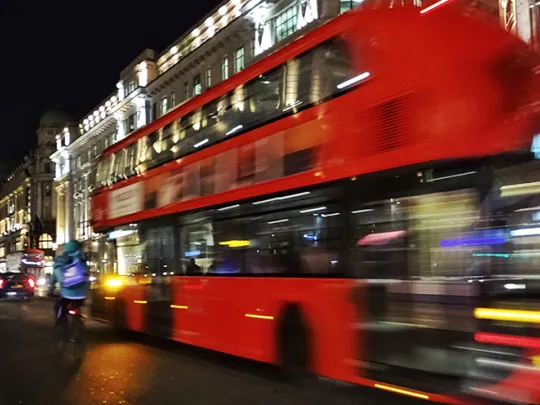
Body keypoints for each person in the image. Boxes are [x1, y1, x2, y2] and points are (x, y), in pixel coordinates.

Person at [48, 240, 90, 333]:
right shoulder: (82, 260)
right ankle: (80, 317)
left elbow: (54, 278)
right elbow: (87, 275)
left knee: (58, 307)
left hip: (66, 293)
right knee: (79, 305)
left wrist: (50, 288)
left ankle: (60, 323)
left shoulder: (60, 261)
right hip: (82, 293)